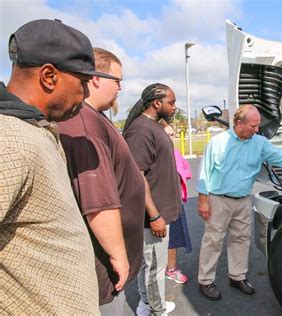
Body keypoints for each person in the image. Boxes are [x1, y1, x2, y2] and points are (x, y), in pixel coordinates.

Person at [0, 19, 115, 314]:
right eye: (82, 82)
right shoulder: (10, 138)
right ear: (49, 76)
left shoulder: (32, 129)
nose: (86, 94)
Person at [197, 104, 282, 300]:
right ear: (238, 123)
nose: (257, 130)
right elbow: (204, 174)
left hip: (243, 200)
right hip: (219, 199)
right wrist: (203, 202)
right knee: (213, 241)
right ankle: (205, 281)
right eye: (252, 126)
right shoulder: (218, 142)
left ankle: (237, 277)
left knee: (241, 239)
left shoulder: (259, 143)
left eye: (258, 125)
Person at [57, 48, 148, 314]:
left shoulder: (94, 117)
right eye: (117, 80)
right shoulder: (84, 124)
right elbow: (98, 202)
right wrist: (119, 256)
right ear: (95, 78)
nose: (120, 87)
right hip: (103, 270)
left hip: (110, 267)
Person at [123, 83, 181, 315]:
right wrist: (154, 214)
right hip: (152, 215)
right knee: (155, 266)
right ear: (157, 103)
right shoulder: (141, 130)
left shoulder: (153, 126)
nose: (175, 107)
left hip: (159, 212)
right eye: (172, 102)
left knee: (150, 264)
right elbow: (137, 176)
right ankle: (157, 310)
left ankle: (148, 303)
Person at [160, 122, 193, 284]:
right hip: (160, 205)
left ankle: (171, 268)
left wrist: (182, 177)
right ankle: (161, 270)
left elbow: (186, 170)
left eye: (173, 135)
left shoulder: (175, 152)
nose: (171, 138)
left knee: (173, 238)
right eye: (168, 135)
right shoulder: (157, 154)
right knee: (160, 240)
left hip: (175, 202)